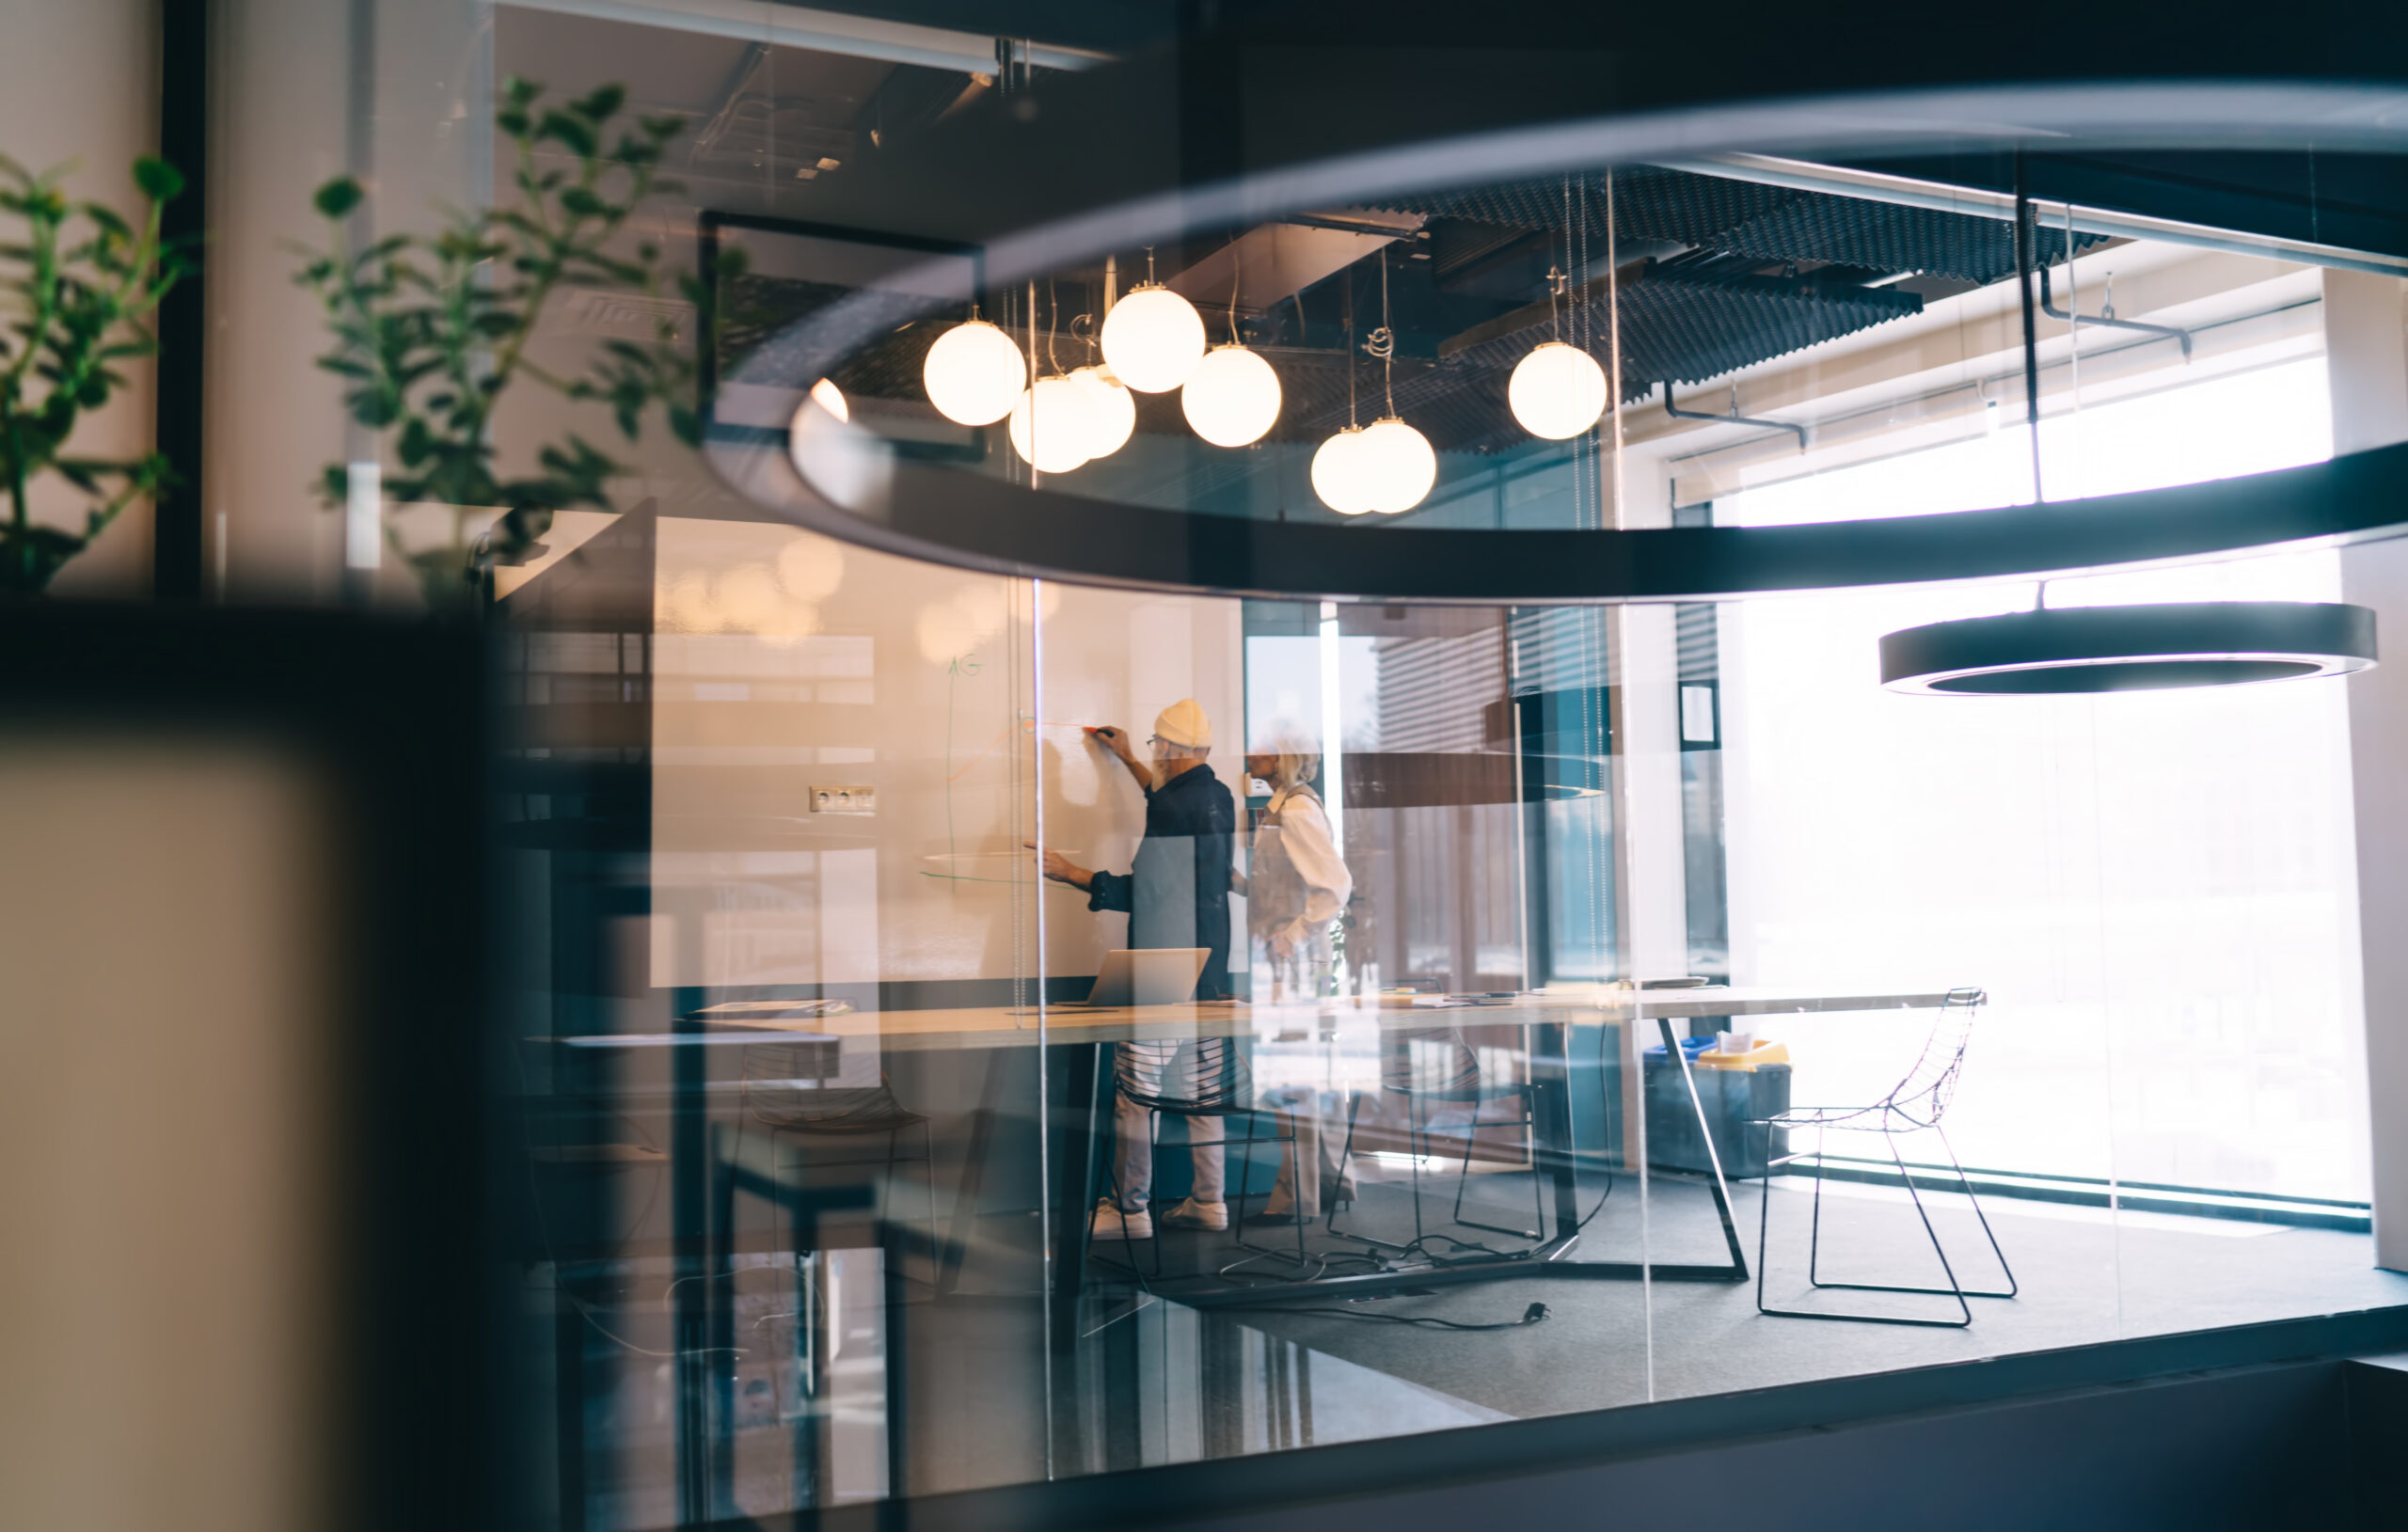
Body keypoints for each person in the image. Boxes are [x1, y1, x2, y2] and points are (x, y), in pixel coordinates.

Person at [1036, 698, 1238, 1240]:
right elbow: (1170, 798)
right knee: (1202, 1092)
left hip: (1161, 965)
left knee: (1135, 1095)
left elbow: (1149, 893)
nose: (1155, 753)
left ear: (1170, 749)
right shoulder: (1217, 797)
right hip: (1211, 968)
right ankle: (1210, 1201)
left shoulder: (1175, 808)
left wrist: (1072, 873)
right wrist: (1126, 758)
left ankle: (1129, 1211)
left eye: (1155, 745)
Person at [1233, 731, 1355, 1223]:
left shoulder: (1298, 811)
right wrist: (1243, 886)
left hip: (1294, 963)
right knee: (1309, 1073)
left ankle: (1299, 1195)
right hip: (1289, 960)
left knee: (1295, 1075)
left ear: (1280, 756)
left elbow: (1335, 886)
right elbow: (1288, 884)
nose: (1248, 755)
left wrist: (1293, 935)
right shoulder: (1282, 807)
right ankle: (1331, 1184)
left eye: (1258, 748)